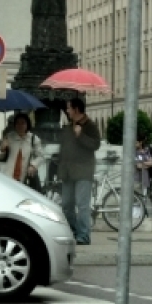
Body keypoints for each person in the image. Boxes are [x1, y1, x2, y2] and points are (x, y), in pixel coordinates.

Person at [57, 97, 102, 246]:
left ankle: (83, 235)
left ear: (76, 109)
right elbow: (64, 149)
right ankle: (73, 231)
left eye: (69, 108)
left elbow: (95, 145)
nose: (67, 111)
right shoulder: (69, 125)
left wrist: (80, 135)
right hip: (68, 172)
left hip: (83, 171)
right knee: (66, 205)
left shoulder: (90, 126)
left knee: (82, 205)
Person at [0, 113, 43, 188]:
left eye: (23, 123)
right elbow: (0, 156)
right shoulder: (9, 137)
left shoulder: (33, 139)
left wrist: (33, 165)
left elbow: (40, 156)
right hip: (8, 177)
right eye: (17, 123)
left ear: (27, 124)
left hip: (24, 179)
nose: (20, 126)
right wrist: (2, 149)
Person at [134, 137, 152, 205]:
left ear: (140, 142)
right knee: (136, 198)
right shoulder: (134, 152)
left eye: (136, 142)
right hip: (136, 178)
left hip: (145, 178)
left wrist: (142, 163)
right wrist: (146, 163)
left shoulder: (146, 151)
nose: (134, 144)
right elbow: (138, 166)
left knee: (144, 198)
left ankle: (142, 214)